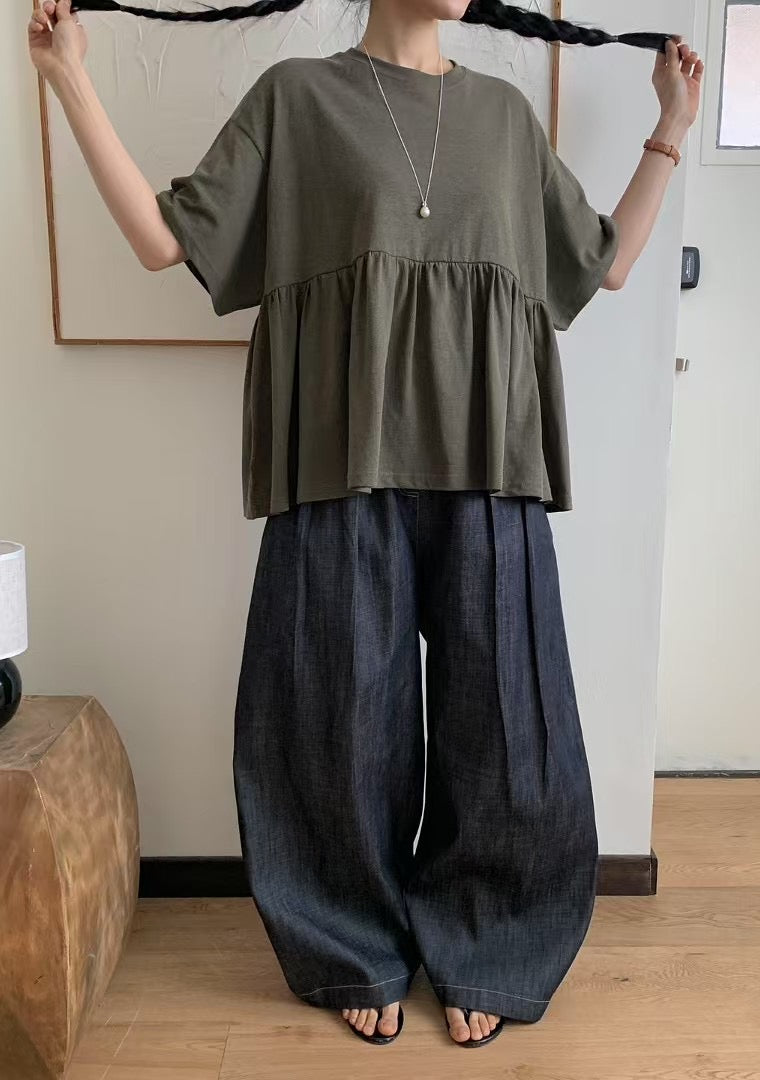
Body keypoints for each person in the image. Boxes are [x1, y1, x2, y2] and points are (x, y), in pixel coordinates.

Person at [27, 0, 703, 1048]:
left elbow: (601, 264)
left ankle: (491, 939)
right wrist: (69, 75)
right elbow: (165, 241)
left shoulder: (504, 116)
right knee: (331, 719)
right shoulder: (297, 100)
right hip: (337, 458)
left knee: (509, 724)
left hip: (491, 460)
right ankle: (353, 943)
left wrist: (671, 126)